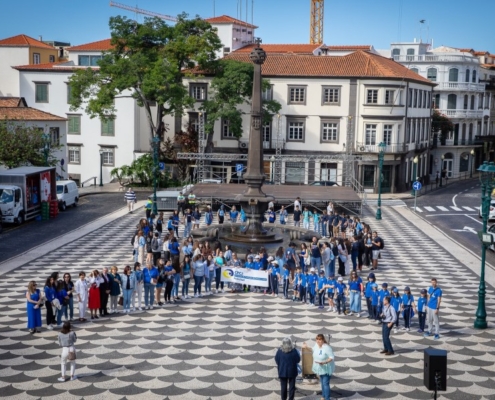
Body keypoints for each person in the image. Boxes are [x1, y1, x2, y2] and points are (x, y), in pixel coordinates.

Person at [302, 334, 335, 400]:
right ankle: (323, 396)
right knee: (322, 383)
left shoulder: (327, 347)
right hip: (320, 368)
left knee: (325, 383)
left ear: (323, 340)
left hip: (326, 368)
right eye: (317, 339)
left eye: (320, 339)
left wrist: (324, 362)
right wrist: (306, 347)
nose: (318, 341)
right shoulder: (316, 345)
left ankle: (327, 398)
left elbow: (331, 357)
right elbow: (313, 349)